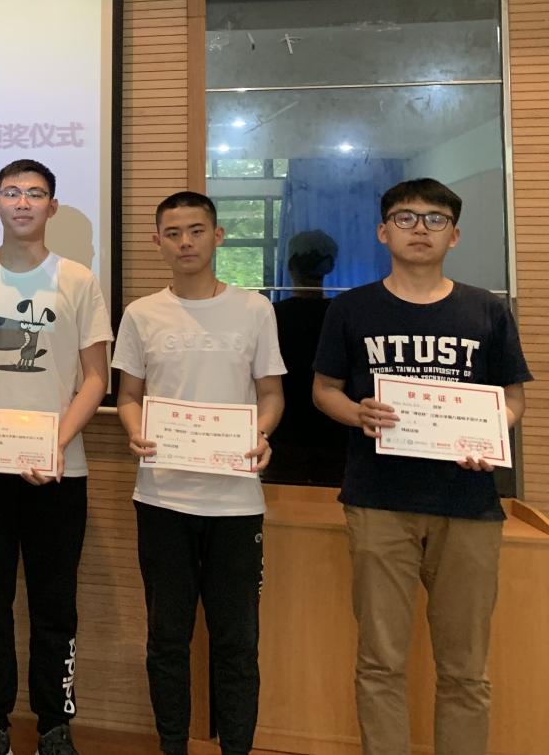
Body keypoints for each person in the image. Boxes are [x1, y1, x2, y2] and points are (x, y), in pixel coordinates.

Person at [312, 178, 531, 755]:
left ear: (454, 236)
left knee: (465, 668)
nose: (420, 229)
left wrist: (491, 433)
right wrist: (356, 412)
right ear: (383, 231)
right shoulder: (351, 308)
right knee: (379, 661)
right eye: (406, 218)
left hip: (468, 504)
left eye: (436, 219)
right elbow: (324, 390)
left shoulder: (487, 309)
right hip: (378, 502)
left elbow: (513, 397)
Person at [0, 159, 112, 755]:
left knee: (54, 606)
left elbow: (96, 378)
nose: (22, 202)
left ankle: (54, 725)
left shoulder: (79, 280)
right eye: (11, 192)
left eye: (35, 194)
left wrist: (55, 443)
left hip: (58, 470)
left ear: (51, 207)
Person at [112, 190, 284, 755]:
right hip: (162, 498)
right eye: (173, 233)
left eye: (196, 230)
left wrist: (261, 434)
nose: (185, 242)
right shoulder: (141, 313)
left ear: (218, 236)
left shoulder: (254, 310)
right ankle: (172, 746)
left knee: (238, 643)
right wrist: (135, 430)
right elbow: (129, 396)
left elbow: (271, 394)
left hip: (236, 504)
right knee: (167, 639)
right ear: (157, 241)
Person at [265, 229, 348, 485]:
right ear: (330, 266)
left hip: (283, 430)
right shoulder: (343, 314)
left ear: (289, 266)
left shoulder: (271, 315)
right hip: (335, 432)